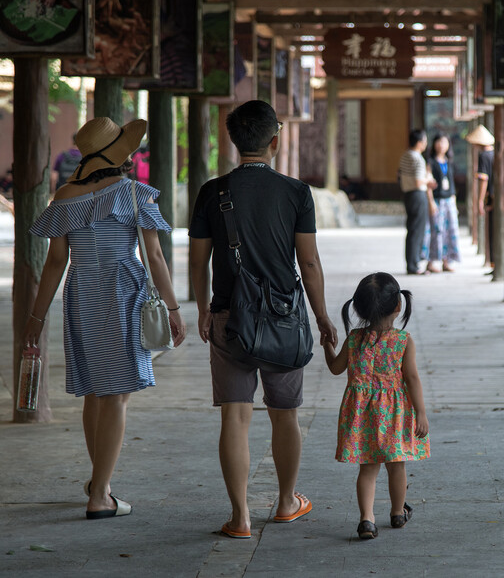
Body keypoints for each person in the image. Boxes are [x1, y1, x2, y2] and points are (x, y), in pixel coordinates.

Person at [188, 100, 338, 539]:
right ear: (275, 140)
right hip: (283, 319)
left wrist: (202, 308)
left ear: (235, 142)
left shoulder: (212, 192)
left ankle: (240, 518)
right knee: (284, 414)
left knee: (235, 416)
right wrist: (323, 315)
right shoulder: (295, 192)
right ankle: (287, 502)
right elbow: (308, 263)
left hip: (229, 317)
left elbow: (198, 261)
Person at [24, 117, 187, 520]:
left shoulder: (64, 196)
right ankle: (99, 495)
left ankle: (102, 481)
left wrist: (36, 317)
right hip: (122, 289)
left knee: (97, 392)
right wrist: (172, 307)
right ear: (120, 153)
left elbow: (55, 262)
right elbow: (155, 257)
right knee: (117, 395)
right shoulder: (134, 194)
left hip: (81, 292)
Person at [323, 272, 430, 540]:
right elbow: (413, 378)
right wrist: (421, 413)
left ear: (359, 308)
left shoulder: (354, 339)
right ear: (398, 306)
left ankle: (366, 520)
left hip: (362, 416)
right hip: (394, 414)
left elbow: (336, 368)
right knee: (397, 465)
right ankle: (396, 513)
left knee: (367, 468)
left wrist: (327, 345)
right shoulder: (403, 341)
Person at [398, 129, 437, 275]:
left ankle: (412, 263)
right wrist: (429, 180)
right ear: (420, 142)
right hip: (417, 194)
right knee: (417, 230)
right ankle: (414, 265)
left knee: (412, 229)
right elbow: (418, 181)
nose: (426, 143)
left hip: (408, 194)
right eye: (425, 140)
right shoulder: (417, 158)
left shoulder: (405, 155)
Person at [424, 133, 461, 273]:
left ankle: (448, 259)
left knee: (451, 230)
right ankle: (434, 259)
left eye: (444, 142)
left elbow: (451, 184)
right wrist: (431, 202)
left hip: (449, 200)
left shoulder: (449, 162)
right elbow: (428, 184)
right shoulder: (430, 162)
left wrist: (454, 202)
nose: (441, 145)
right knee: (436, 230)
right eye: (439, 142)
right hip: (437, 200)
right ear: (434, 144)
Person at [467, 125, 496, 269]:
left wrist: (479, 200)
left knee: (492, 231)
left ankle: (493, 263)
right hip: (496, 197)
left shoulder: (484, 155)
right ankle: (494, 263)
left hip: (491, 198)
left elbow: (483, 180)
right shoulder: (494, 153)